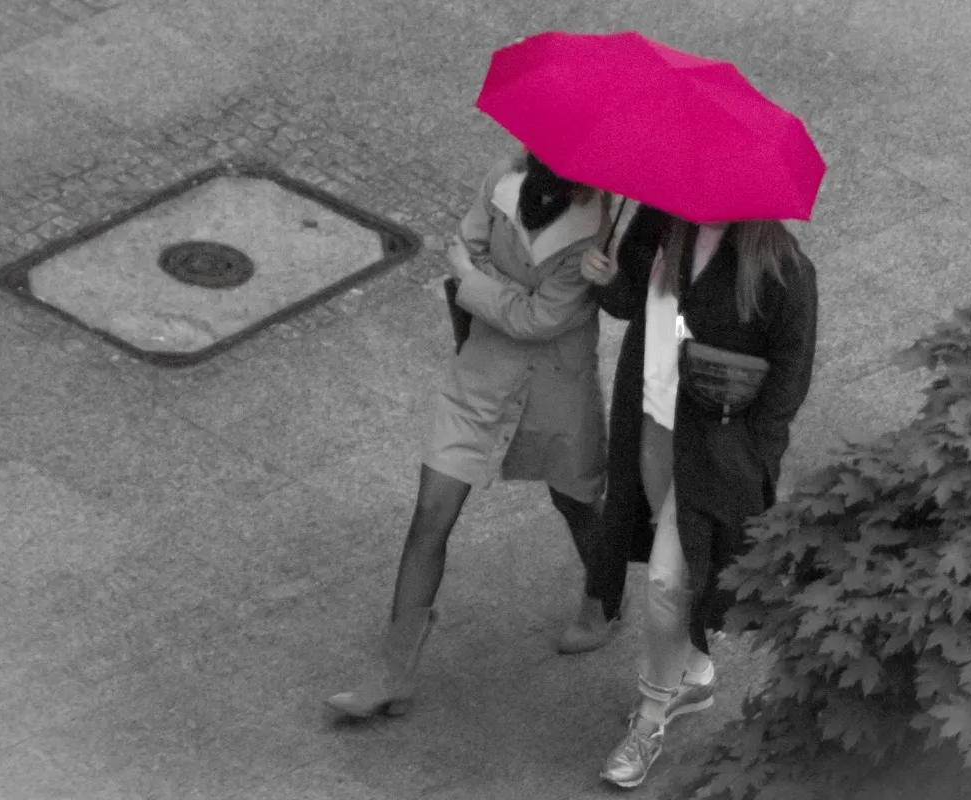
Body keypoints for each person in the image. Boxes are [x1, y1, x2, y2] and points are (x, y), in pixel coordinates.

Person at [326, 150, 620, 720]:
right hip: (480, 377)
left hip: (555, 391)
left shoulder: (599, 227)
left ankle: (604, 601)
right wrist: (498, 288)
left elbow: (535, 316)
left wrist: (475, 279)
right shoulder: (503, 179)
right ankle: (392, 675)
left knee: (577, 502)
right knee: (429, 515)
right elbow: (471, 250)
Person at [580, 206, 818, 788]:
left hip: (711, 451)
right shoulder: (662, 221)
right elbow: (630, 302)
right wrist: (606, 278)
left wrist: (752, 456)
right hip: (650, 428)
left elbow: (789, 379)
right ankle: (695, 671)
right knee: (683, 567)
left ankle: (649, 718)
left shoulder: (783, 270)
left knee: (666, 578)